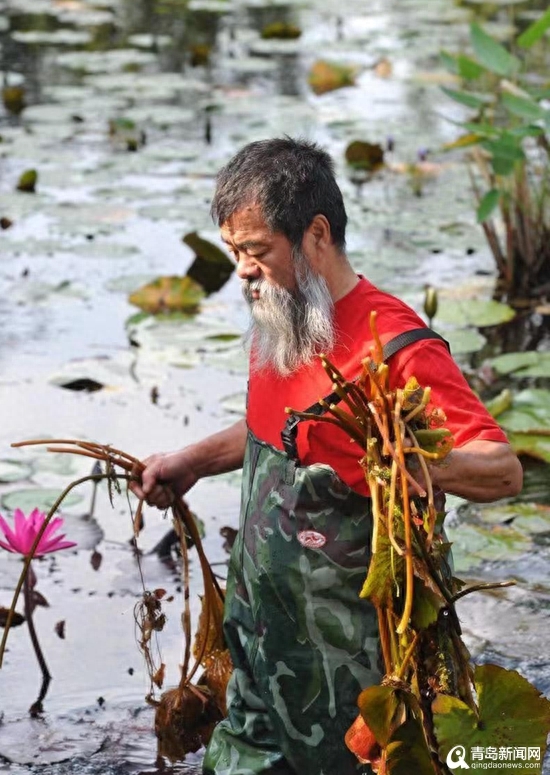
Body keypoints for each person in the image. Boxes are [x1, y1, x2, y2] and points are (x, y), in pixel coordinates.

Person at [130, 137, 523, 775]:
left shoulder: (395, 345)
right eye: (235, 252)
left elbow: (500, 469)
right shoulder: (283, 324)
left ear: (316, 234)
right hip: (261, 657)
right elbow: (274, 430)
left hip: (345, 672)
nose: (243, 271)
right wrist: (194, 461)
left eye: (257, 251)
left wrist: (390, 455)